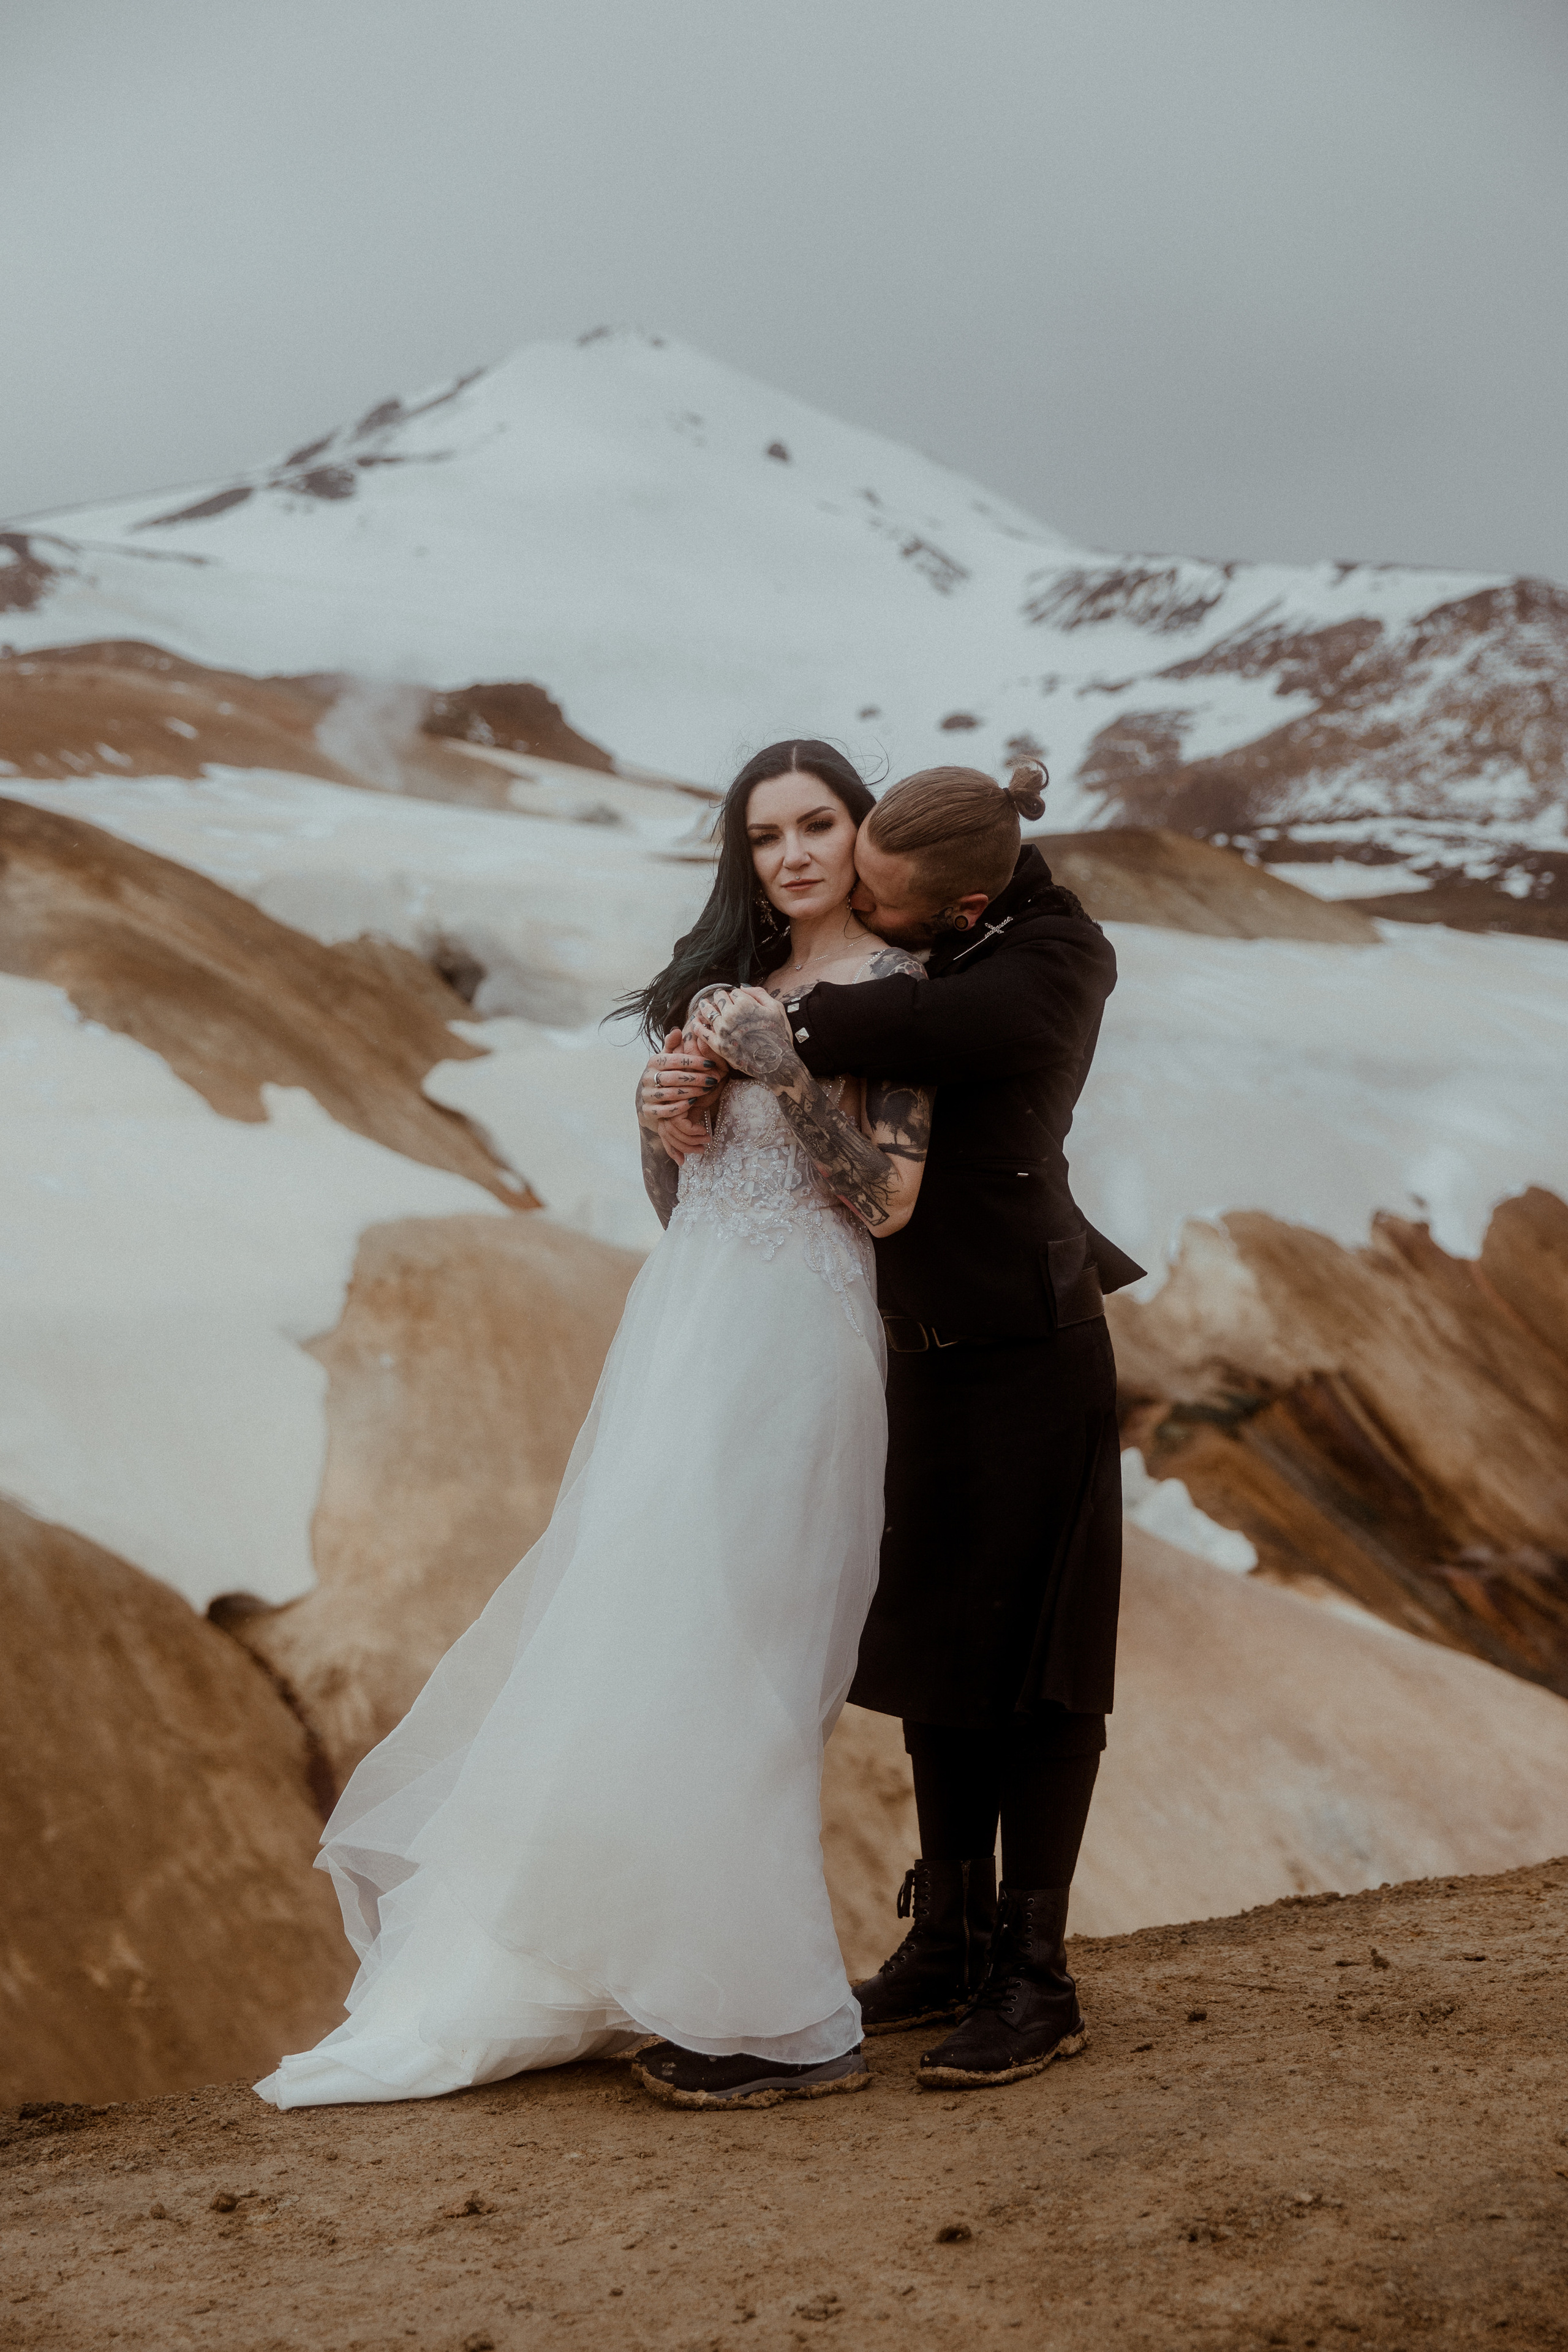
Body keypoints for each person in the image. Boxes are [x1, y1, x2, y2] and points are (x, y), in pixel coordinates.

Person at [252, 740, 936, 2115]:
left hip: (801, 1352)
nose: (793, 856)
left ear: (861, 832)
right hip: (686, 1339)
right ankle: (661, 1971)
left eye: (816, 826)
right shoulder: (728, 983)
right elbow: (686, 1202)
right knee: (650, 1640)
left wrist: (784, 1072)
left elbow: (887, 1203)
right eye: (765, 837)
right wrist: (660, 1123)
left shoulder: (900, 992)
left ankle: (778, 2017)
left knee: (751, 1659)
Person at [686, 760, 1141, 2092]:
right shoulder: (945, 933)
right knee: (941, 1655)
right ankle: (948, 1938)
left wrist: (783, 1023)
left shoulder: (1056, 960)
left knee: (1043, 1669)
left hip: (1033, 1352)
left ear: (963, 907)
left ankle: (1035, 1976)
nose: (865, 911)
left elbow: (932, 1024)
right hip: (918, 1357)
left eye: (884, 901)